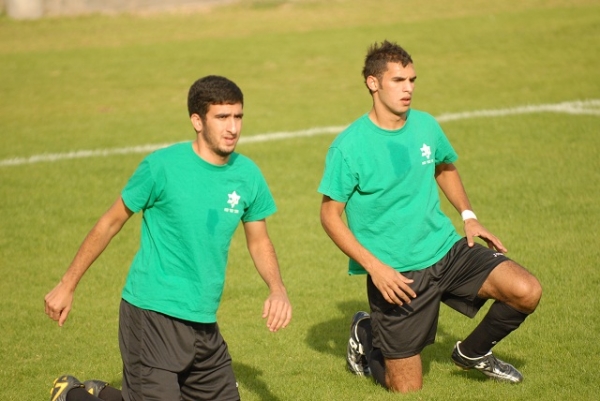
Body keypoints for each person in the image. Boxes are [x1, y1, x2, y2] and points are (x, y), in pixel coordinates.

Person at [45, 75, 292, 401]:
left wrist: (277, 289)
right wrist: (67, 284)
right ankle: (72, 395)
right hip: (152, 315)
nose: (233, 127)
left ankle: (99, 394)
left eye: (238, 116)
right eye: (222, 117)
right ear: (197, 121)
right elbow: (109, 223)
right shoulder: (161, 167)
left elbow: (259, 241)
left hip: (203, 320)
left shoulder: (247, 175)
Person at [317, 40, 542, 393]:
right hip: (397, 275)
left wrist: (468, 215)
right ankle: (366, 333)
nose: (408, 88)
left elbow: (444, 166)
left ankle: (472, 353)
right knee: (406, 388)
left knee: (526, 290)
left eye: (412, 80)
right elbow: (329, 216)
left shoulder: (425, 126)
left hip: (445, 251)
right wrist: (375, 268)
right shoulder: (349, 147)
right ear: (373, 83)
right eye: (398, 80)